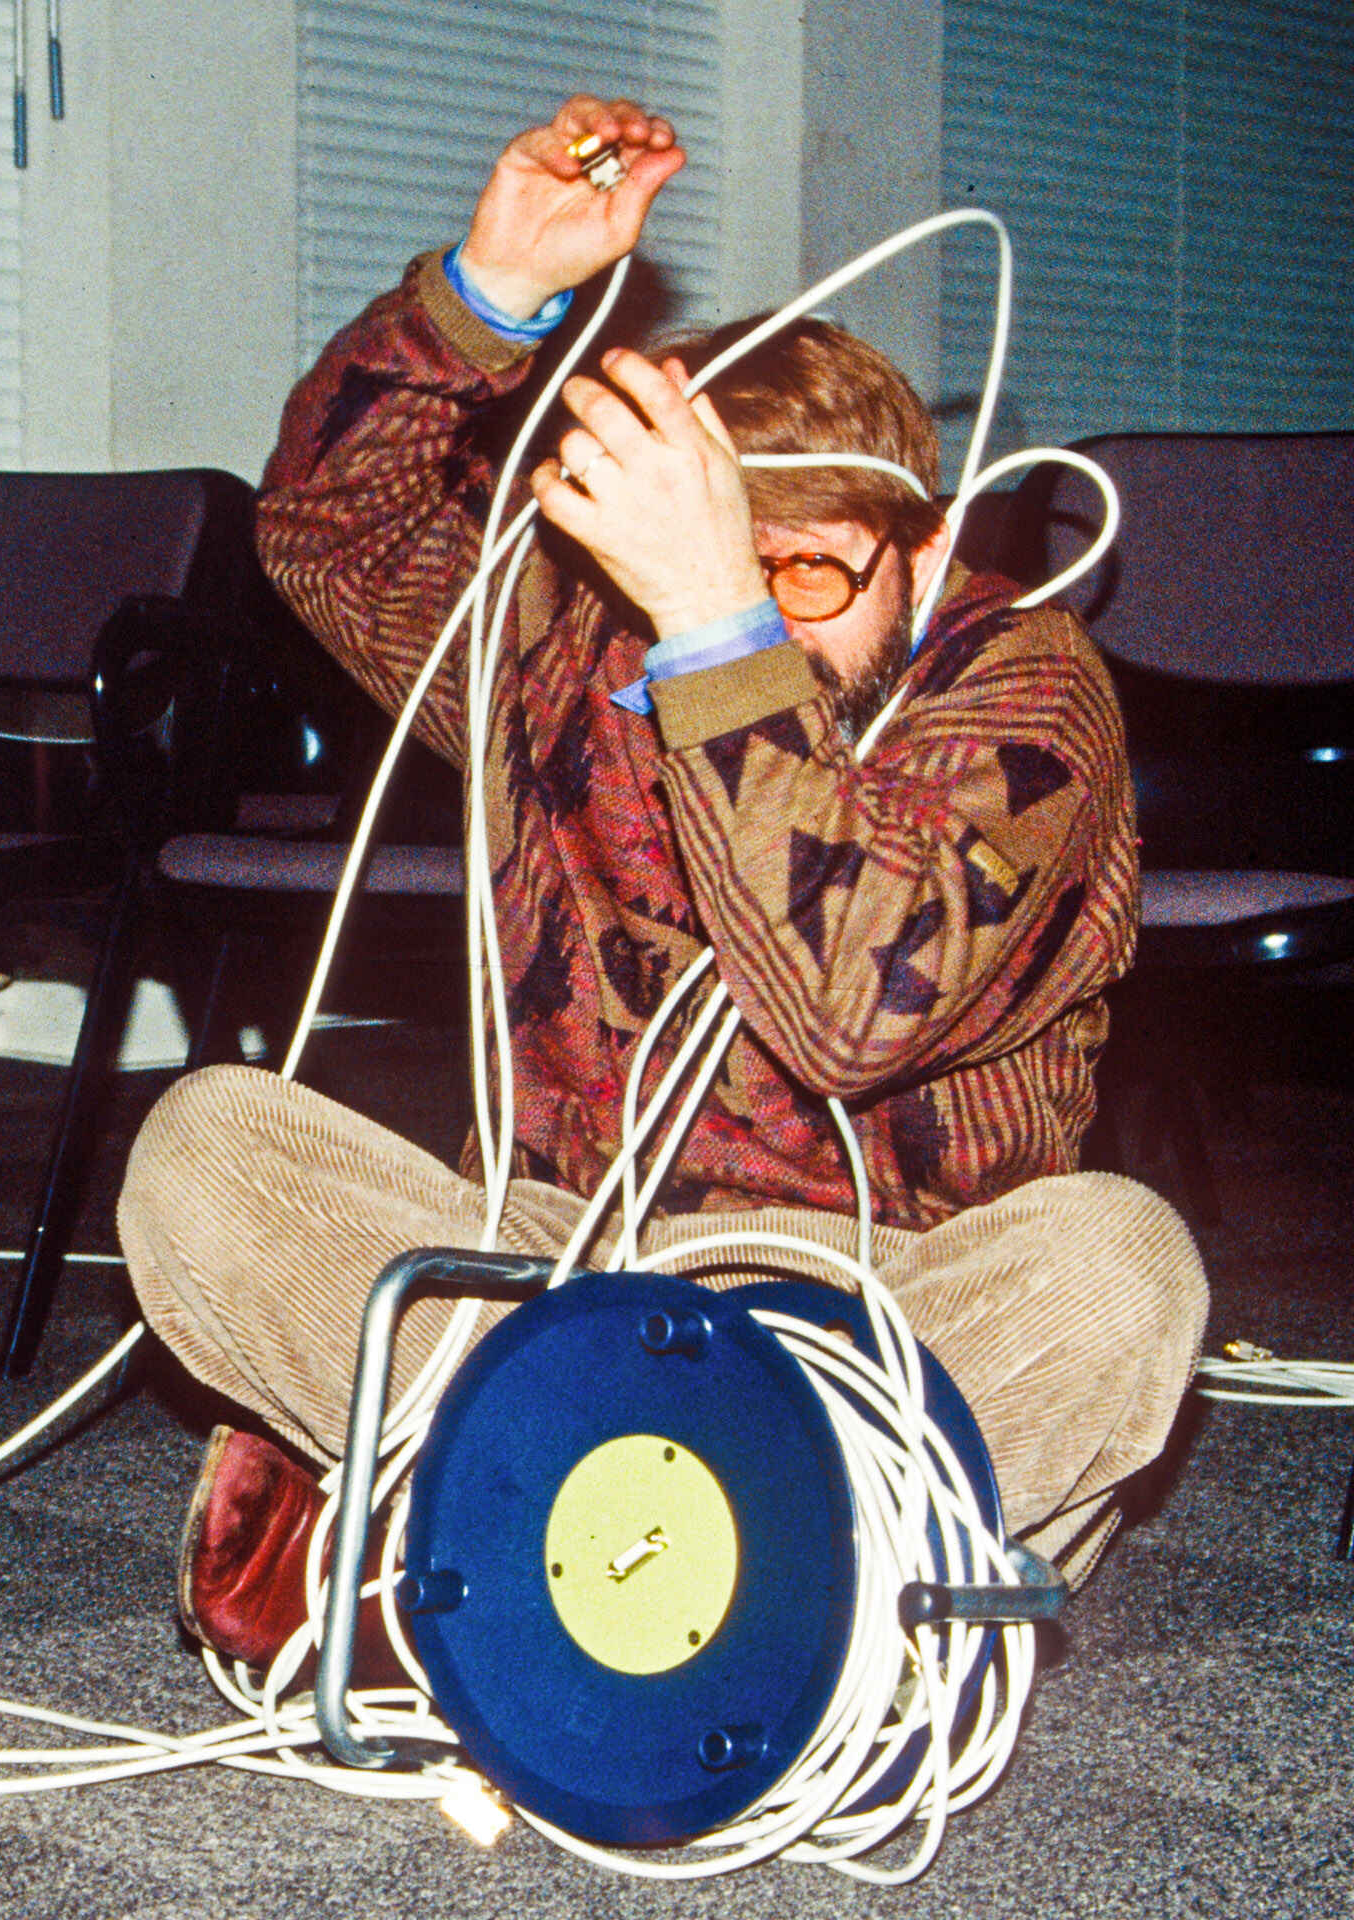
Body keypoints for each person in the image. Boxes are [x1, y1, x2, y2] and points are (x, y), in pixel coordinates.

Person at [117, 97, 1207, 1670]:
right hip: (568, 1281)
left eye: (810, 576)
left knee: (1120, 1276)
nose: (768, 614)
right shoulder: (573, 640)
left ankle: (516, 1526)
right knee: (204, 1154)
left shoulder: (1025, 688)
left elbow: (853, 1015)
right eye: (708, 572)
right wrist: (487, 292)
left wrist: (716, 626)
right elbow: (328, 535)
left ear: (924, 543)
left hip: (887, 1307)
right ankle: (718, 1566)